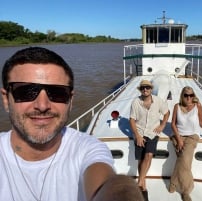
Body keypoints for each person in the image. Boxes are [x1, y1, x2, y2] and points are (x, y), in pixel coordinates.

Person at [0, 47, 143, 201]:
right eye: (26, 92)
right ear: (6, 99)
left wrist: (124, 191)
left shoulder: (87, 149)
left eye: (57, 93)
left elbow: (109, 185)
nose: (42, 105)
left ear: (71, 100)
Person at [169, 86, 202, 201]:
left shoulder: (197, 106)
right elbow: (173, 124)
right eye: (186, 95)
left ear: (193, 96)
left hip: (192, 137)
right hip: (178, 136)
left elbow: (201, 121)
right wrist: (179, 140)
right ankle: (175, 183)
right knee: (184, 162)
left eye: (191, 95)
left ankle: (185, 191)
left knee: (184, 158)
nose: (188, 98)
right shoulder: (177, 106)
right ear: (182, 96)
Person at [129, 80, 170, 200]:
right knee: (141, 160)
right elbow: (131, 120)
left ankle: (139, 183)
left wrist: (162, 125)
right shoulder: (136, 102)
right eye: (143, 88)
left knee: (149, 155)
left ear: (151, 89)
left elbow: (167, 113)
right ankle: (143, 183)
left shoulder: (158, 101)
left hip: (153, 133)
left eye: (147, 87)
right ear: (140, 90)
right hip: (140, 132)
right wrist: (137, 136)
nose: (145, 90)